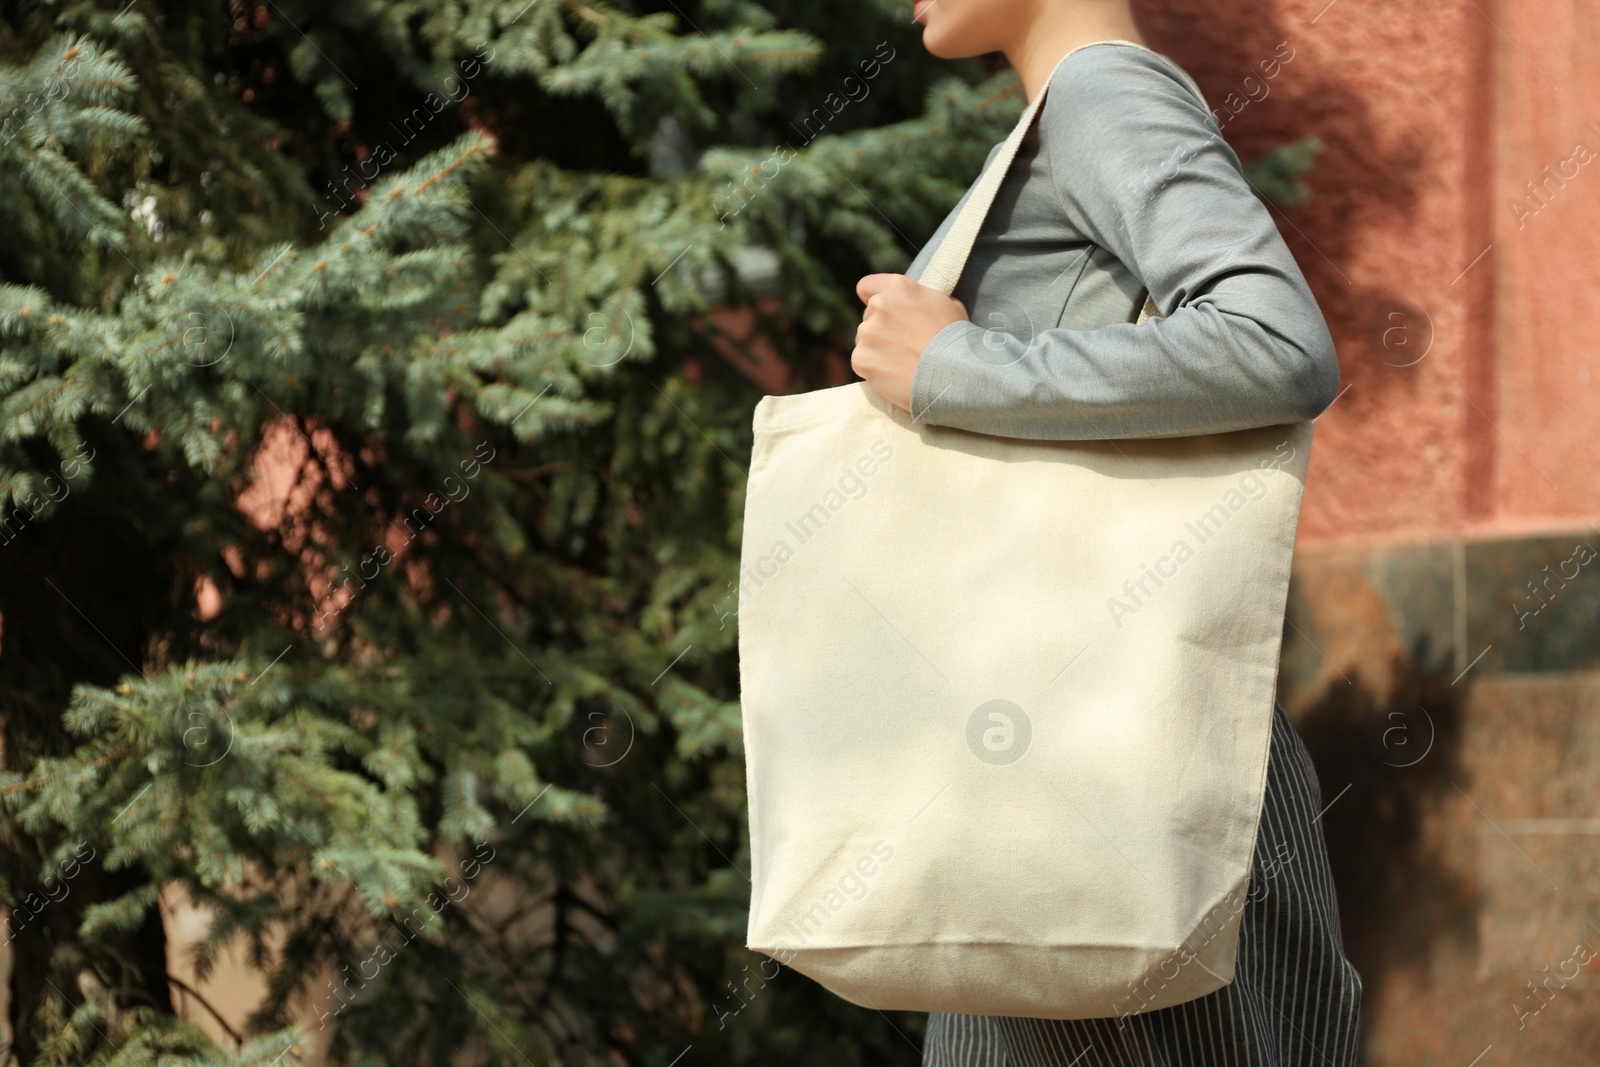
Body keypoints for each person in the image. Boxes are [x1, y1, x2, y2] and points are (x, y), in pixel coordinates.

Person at [847, 2, 1364, 1064]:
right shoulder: (1060, 114)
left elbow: (1276, 342)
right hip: (1055, 772)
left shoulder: (1102, 92)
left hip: (1115, 779)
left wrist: (955, 370)